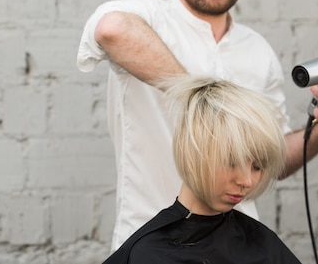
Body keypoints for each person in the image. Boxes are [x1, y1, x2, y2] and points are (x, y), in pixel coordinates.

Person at [76, 0, 318, 251]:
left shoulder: (258, 51)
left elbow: (276, 161)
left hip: (238, 248)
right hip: (153, 246)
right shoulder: (150, 18)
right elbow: (110, 29)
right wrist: (204, 101)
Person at [102, 75, 302, 264]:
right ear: (194, 152)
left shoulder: (264, 246)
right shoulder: (145, 253)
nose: (247, 181)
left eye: (257, 166)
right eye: (232, 162)